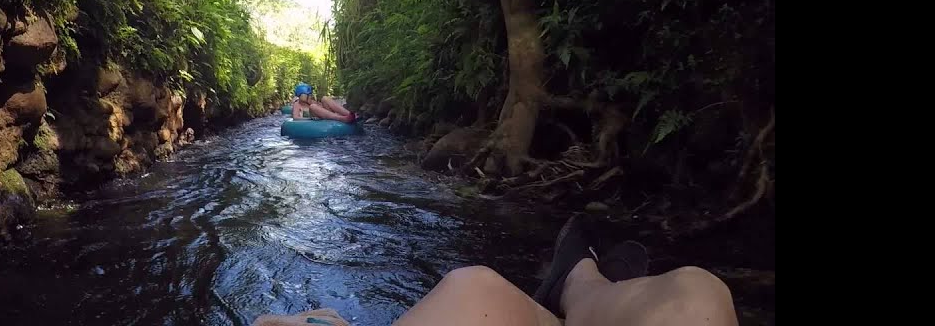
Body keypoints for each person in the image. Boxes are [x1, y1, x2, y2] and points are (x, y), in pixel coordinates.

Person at [252, 214, 738, 326]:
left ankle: (577, 284)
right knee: (696, 297)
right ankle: (581, 282)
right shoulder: (307, 108)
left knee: (697, 294)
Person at [290, 82, 357, 123]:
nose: (310, 96)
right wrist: (310, 119)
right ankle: (341, 118)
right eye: (308, 95)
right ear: (301, 96)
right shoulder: (297, 104)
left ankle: (351, 115)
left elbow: (323, 109)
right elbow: (295, 118)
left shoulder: (312, 102)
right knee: (313, 107)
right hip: (317, 120)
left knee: (325, 98)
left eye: (310, 94)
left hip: (326, 117)